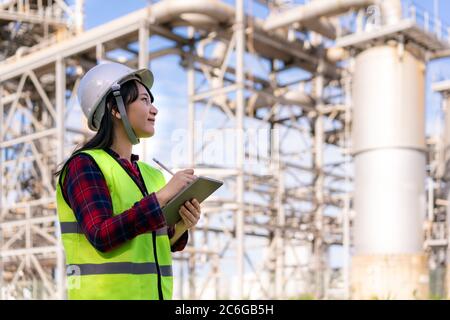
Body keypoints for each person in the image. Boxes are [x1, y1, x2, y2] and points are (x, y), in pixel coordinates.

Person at [55, 62, 201, 300]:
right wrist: (163, 197)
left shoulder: (151, 174)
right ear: (115, 108)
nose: (154, 110)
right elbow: (101, 234)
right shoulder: (84, 165)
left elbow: (153, 241)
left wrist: (183, 222)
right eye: (144, 100)